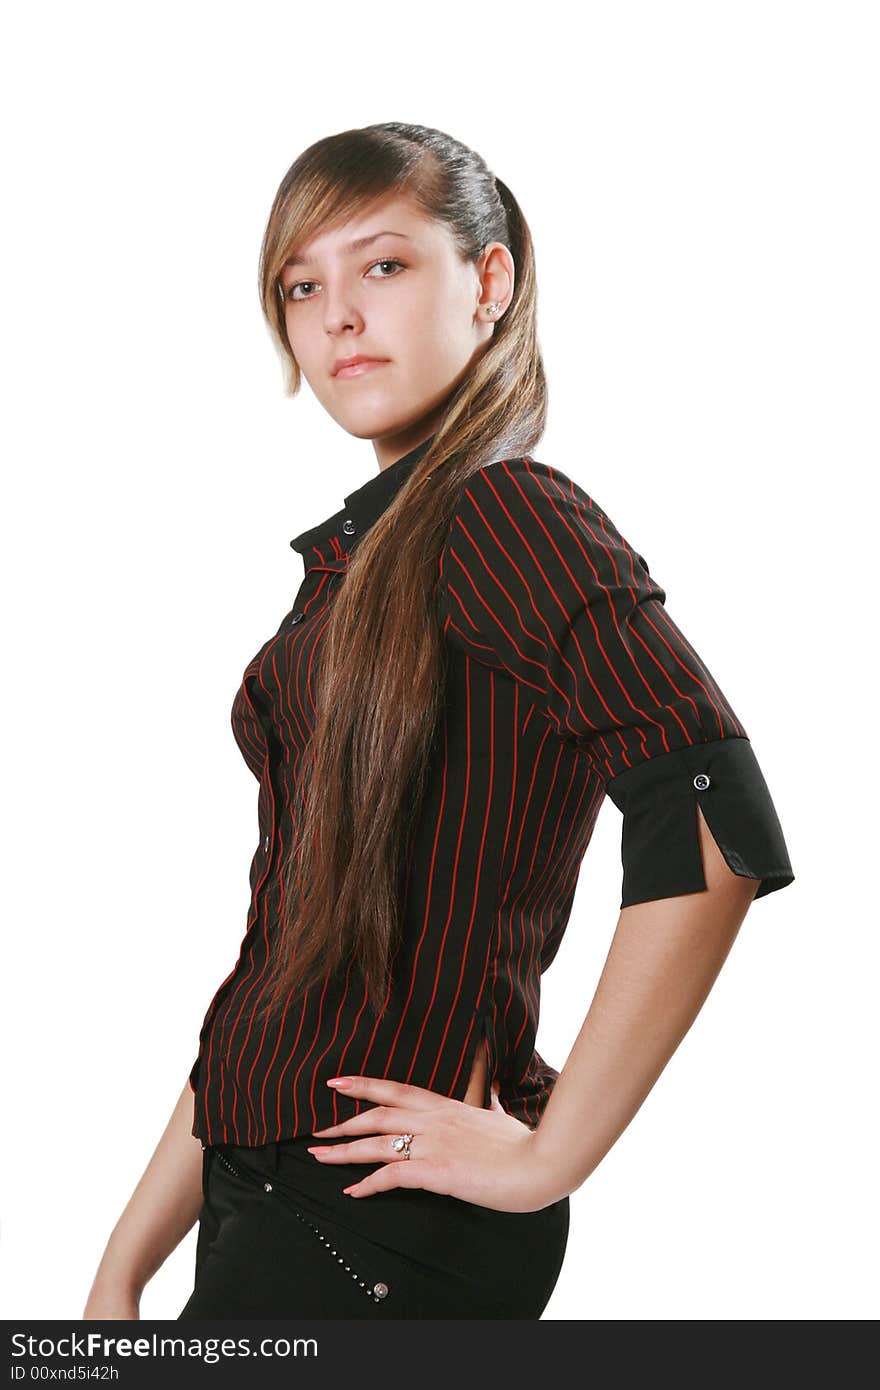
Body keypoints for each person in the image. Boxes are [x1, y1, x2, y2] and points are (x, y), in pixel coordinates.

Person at [83, 121, 794, 1321]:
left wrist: (547, 1153)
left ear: (492, 279)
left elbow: (712, 819)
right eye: (301, 286)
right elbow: (280, 973)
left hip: (383, 1222)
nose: (337, 316)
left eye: (385, 265)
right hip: (271, 1196)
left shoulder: (508, 514)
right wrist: (124, 1263)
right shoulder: (355, 570)